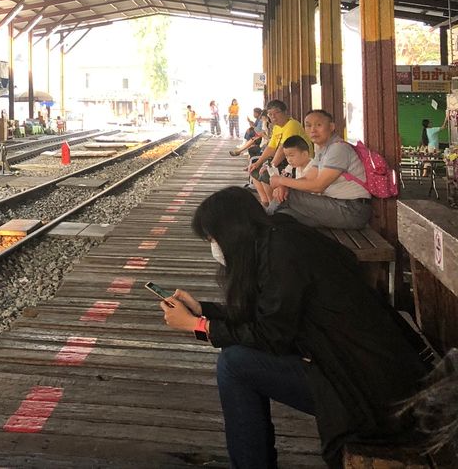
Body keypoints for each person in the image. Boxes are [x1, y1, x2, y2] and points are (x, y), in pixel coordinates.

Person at [158, 187, 427, 468]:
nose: (214, 247)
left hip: (367, 387)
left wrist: (199, 326)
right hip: (356, 364)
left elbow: (272, 336)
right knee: (236, 358)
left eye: (213, 239)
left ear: (231, 232)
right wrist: (203, 310)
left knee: (234, 364)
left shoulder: (281, 253)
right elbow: (270, 315)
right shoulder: (280, 237)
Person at [267, 112, 372, 229]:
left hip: (352, 210)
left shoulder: (338, 148)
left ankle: (260, 224)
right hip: (334, 205)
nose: (313, 130)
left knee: (288, 196)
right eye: (308, 125)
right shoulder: (323, 150)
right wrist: (284, 186)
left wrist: (281, 181)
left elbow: (318, 186)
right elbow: (308, 178)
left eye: (318, 125)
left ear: (331, 127)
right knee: (285, 215)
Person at [249, 100, 309, 208]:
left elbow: (282, 149)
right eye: (270, 114)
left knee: (266, 174)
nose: (273, 117)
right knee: (254, 170)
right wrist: (258, 163)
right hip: (286, 161)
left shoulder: (292, 125)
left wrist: (270, 166)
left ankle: (274, 206)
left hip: (297, 163)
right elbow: (271, 147)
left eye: (276, 113)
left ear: (285, 112)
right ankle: (265, 202)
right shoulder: (277, 127)